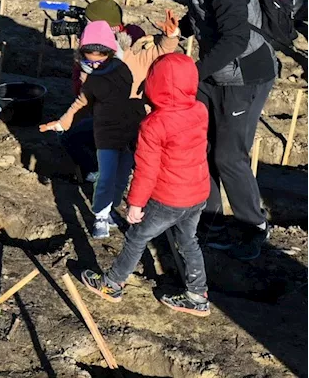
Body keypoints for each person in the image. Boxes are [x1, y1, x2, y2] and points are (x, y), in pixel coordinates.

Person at [158, 0, 277, 260]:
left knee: (229, 156)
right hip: (216, 71)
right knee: (201, 148)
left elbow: (236, 38)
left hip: (246, 75)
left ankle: (253, 227)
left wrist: (193, 74)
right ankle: (211, 223)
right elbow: (205, 13)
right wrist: (180, 26)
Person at [78, 53, 212, 317]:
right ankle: (198, 295)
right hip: (198, 193)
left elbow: (147, 170)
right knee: (188, 240)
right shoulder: (200, 110)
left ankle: (112, 283)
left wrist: (135, 204)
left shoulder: (153, 125)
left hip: (168, 198)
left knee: (137, 237)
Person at [40, 21, 145, 239]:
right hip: (105, 133)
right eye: (90, 60)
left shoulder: (123, 69)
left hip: (129, 131)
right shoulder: (88, 75)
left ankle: (109, 211)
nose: (95, 65)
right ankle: (100, 217)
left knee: (122, 175)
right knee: (106, 175)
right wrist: (62, 123)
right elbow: (81, 103)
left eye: (100, 60)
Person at [60, 1, 179, 182]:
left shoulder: (117, 59)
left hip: (125, 122)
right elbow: (162, 49)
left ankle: (101, 173)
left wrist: (82, 62)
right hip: (137, 116)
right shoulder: (136, 45)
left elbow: (82, 93)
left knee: (71, 137)